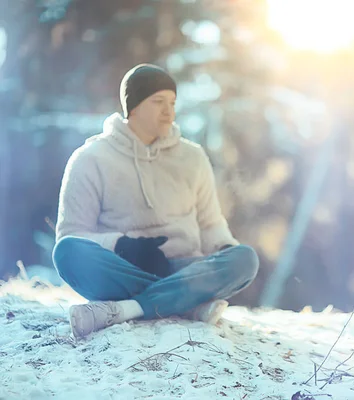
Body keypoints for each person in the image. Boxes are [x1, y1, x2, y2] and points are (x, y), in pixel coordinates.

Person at [52, 63, 259, 339]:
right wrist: (122, 245)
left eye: (172, 102)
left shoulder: (193, 157)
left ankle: (130, 308)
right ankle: (187, 304)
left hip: (186, 269)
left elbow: (210, 223)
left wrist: (224, 252)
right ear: (133, 107)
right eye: (158, 102)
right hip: (123, 269)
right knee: (67, 252)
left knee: (245, 258)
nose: (169, 111)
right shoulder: (90, 159)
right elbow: (71, 234)